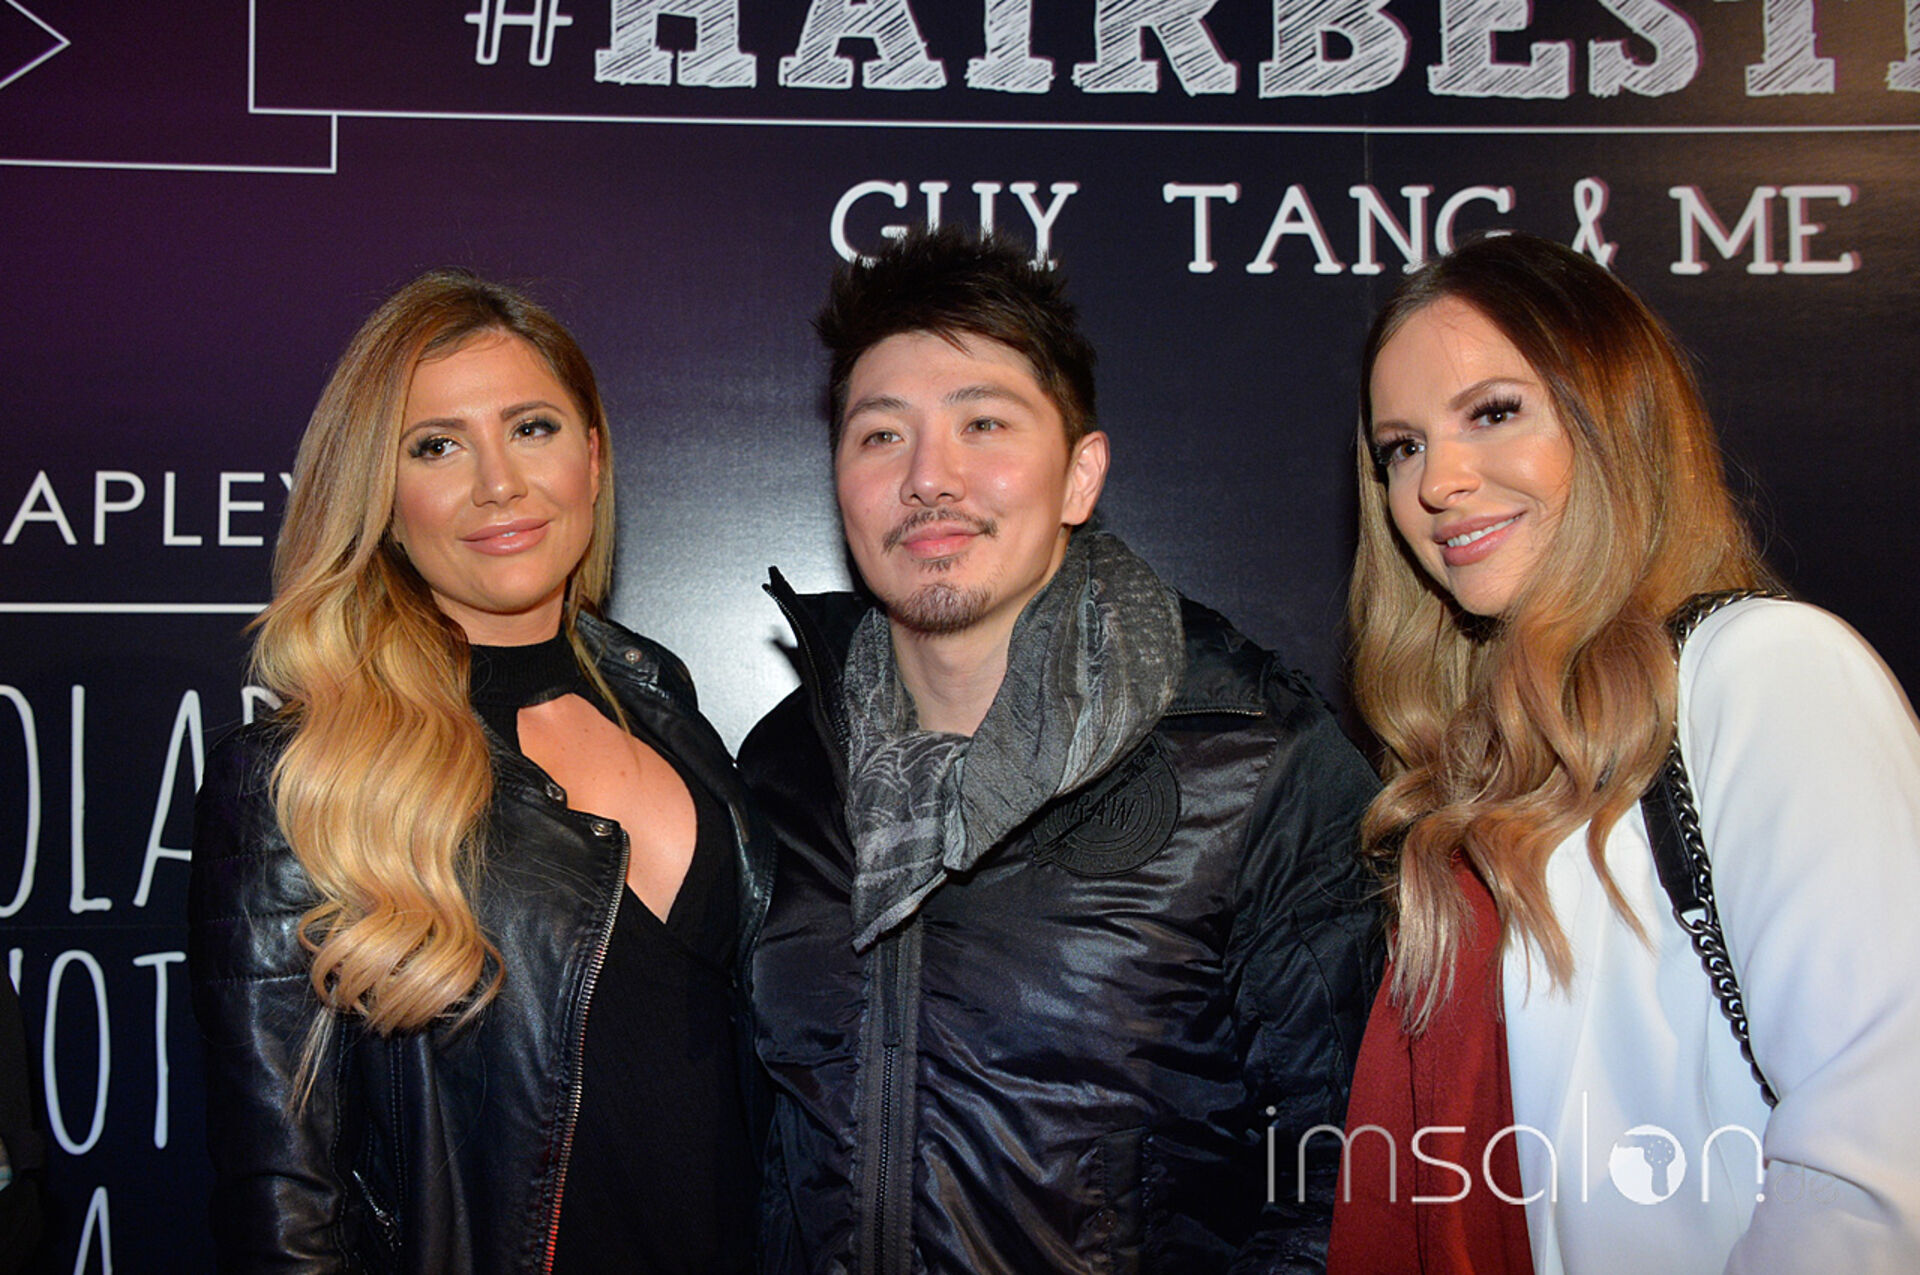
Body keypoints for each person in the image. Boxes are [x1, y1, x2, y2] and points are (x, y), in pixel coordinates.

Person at [742, 225, 1383, 1272]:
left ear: (1080, 477)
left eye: (983, 423)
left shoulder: (1251, 754)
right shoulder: (785, 766)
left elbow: (1345, 1181)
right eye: (881, 435)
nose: (929, 477)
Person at [1327, 232, 1920, 1274]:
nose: (1438, 483)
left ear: (1616, 420)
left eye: (1493, 413)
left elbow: (1876, 1159)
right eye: (1402, 448)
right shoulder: (1478, 766)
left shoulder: (1764, 673)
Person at [188, 269, 771, 1273]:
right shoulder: (301, 775)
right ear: (381, 498)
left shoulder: (661, 703)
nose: (498, 482)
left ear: (593, 456)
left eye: (532, 428)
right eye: (437, 445)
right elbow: (284, 1201)